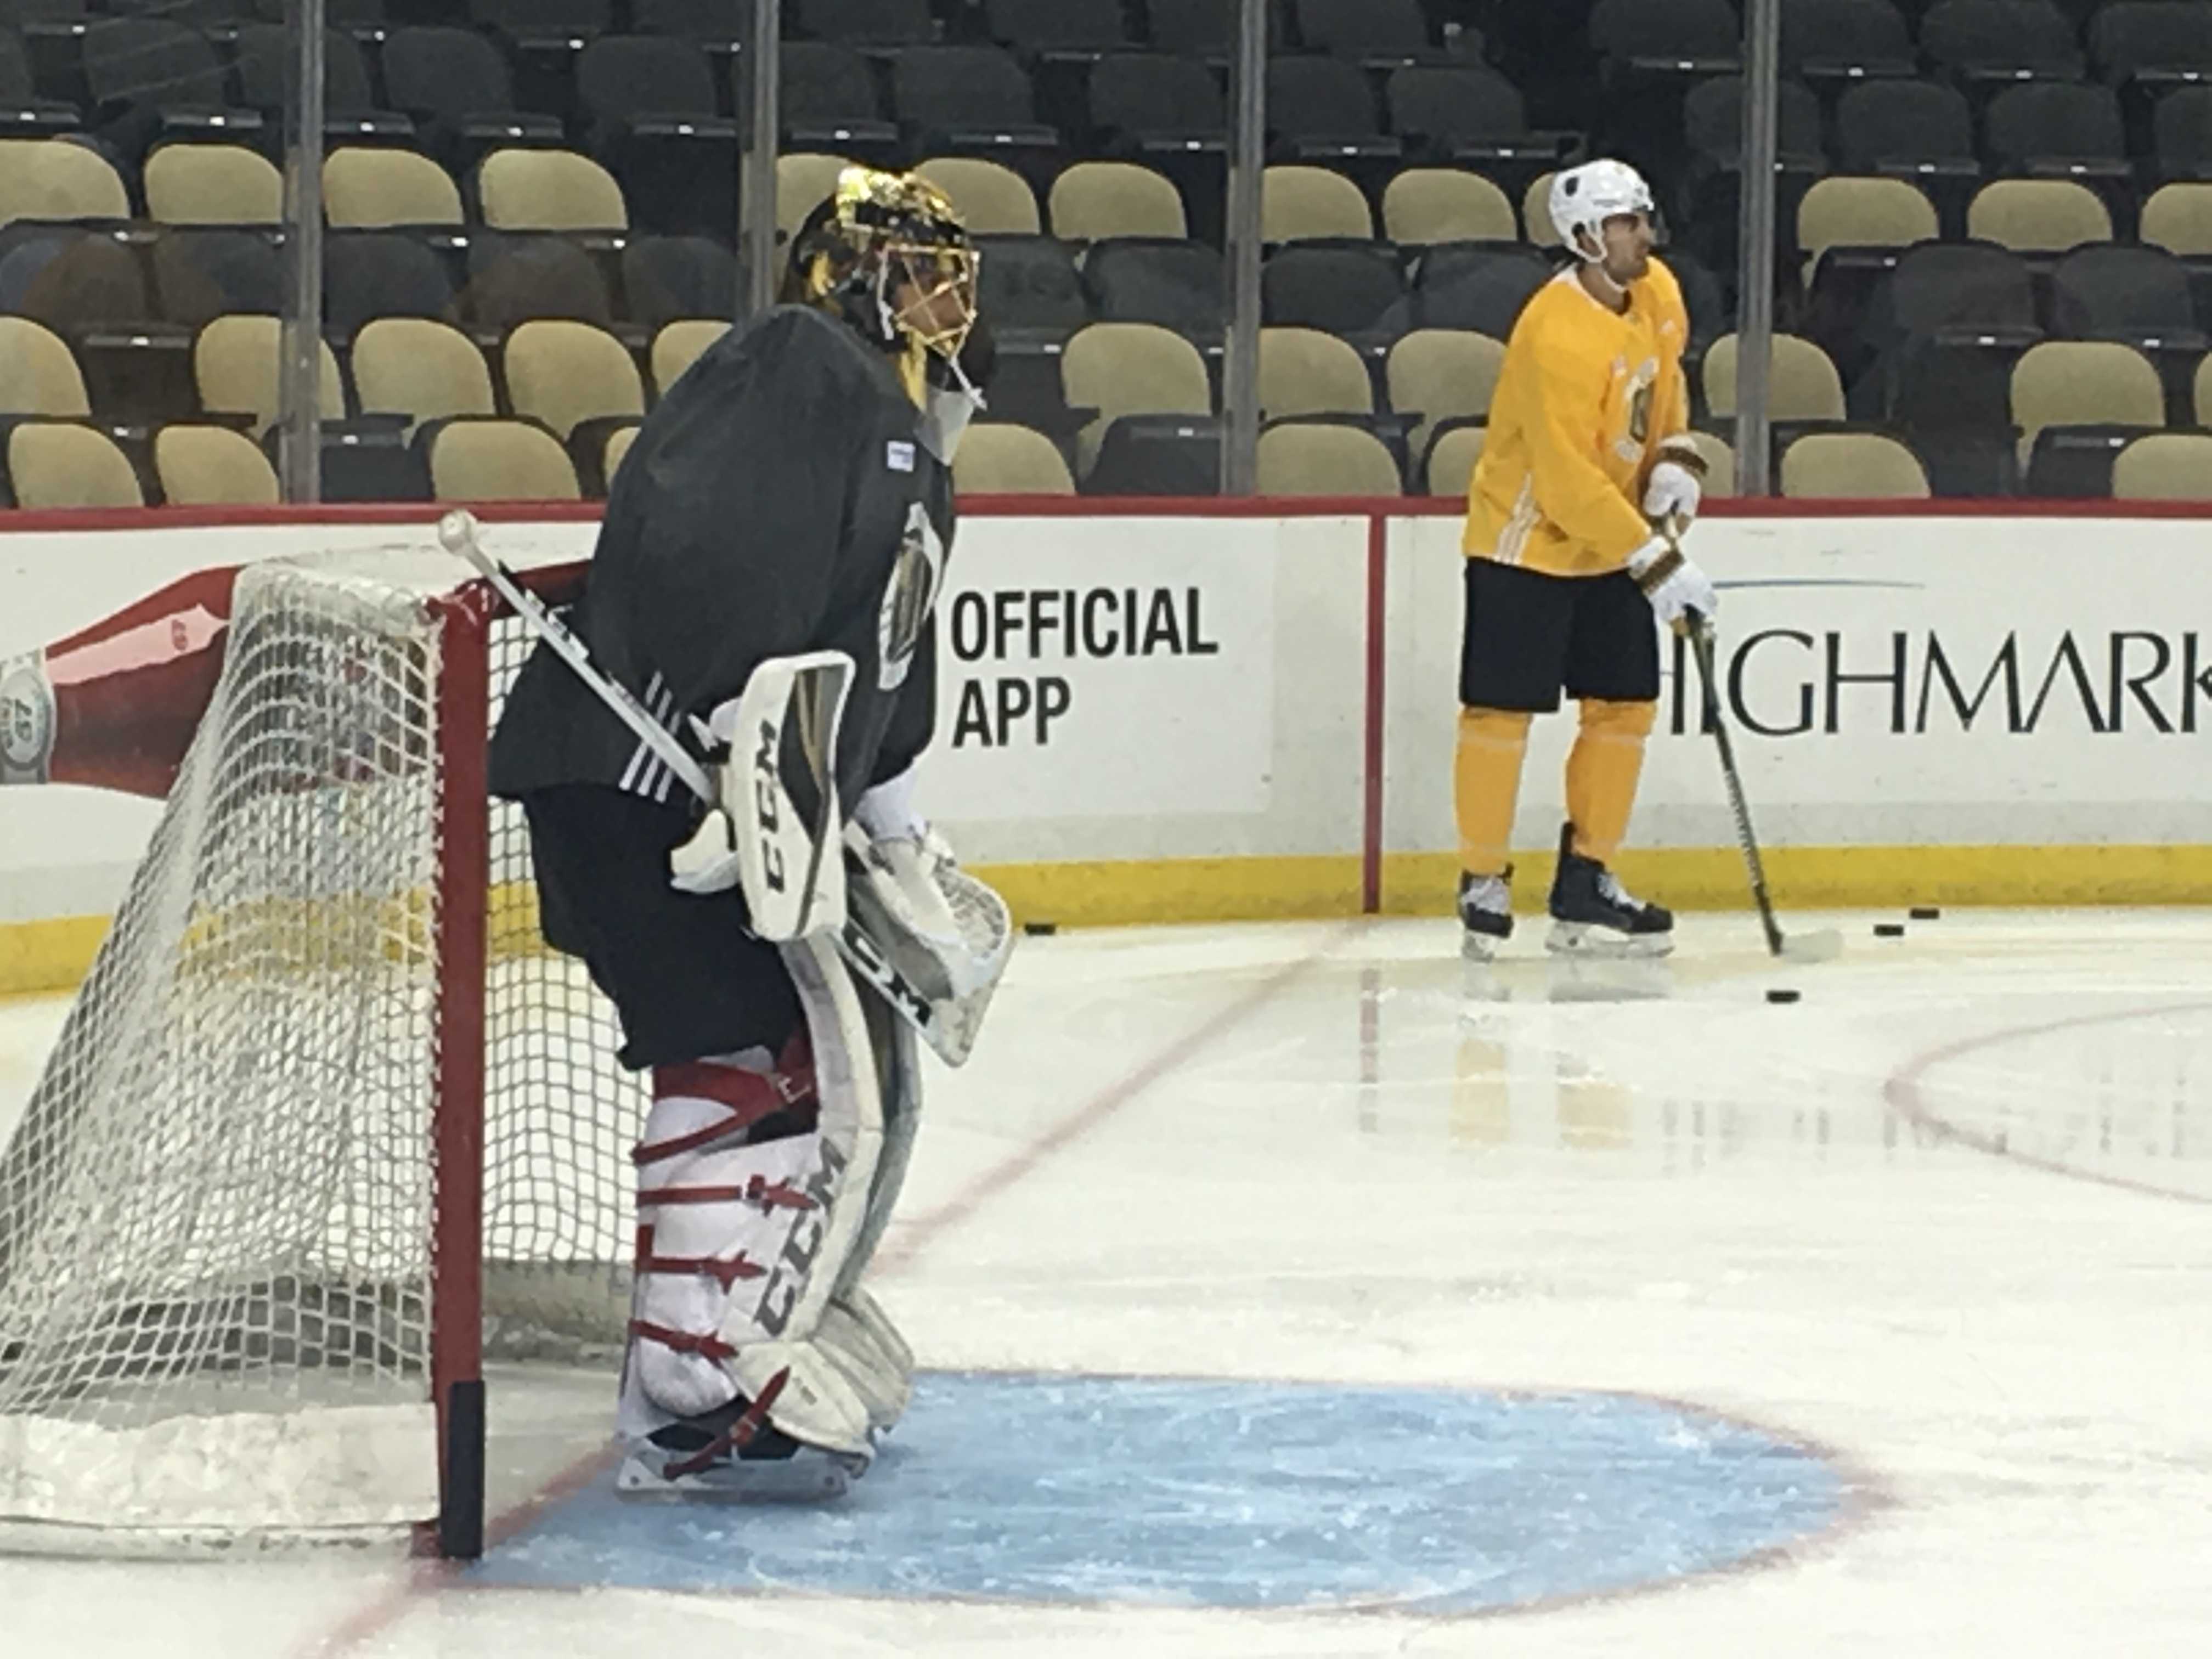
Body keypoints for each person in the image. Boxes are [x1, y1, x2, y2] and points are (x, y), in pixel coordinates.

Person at [487, 167, 991, 1498]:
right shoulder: (796, 361)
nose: (945, 295)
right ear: (851, 272)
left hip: (728, 794)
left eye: (954, 269)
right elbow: (706, 552)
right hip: (642, 775)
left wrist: (897, 833)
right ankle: (693, 1388)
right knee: (747, 1053)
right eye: (918, 264)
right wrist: (727, 736)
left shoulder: (915, 438)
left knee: (828, 1056)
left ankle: (754, 1322)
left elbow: (884, 670)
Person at [1452, 158, 1718, 961]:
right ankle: (1483, 877)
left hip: (1613, 539)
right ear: (1584, 237)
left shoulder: (1660, 292)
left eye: (1641, 218)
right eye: (1624, 223)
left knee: (1625, 704)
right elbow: (1565, 483)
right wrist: (1656, 562)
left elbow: (1668, 388)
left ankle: (1587, 880)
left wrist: (1676, 454)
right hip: (1524, 543)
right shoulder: (1552, 334)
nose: (1642, 234)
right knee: (1502, 713)